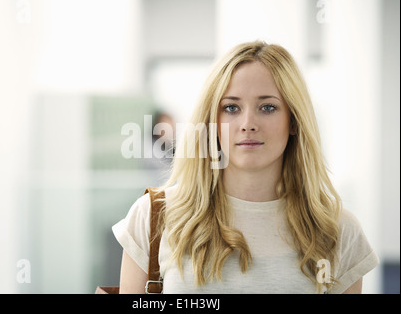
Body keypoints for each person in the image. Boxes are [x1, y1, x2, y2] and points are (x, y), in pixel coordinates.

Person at [112, 41, 379, 294]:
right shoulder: (154, 217)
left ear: (295, 121)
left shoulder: (338, 230)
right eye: (231, 107)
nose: (248, 123)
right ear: (212, 121)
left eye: (267, 107)